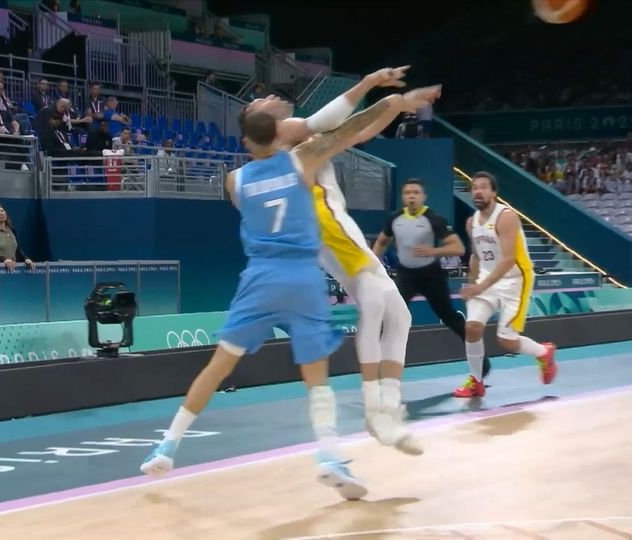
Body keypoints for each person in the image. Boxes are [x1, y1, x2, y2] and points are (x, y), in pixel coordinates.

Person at [140, 90, 433, 500]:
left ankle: (167, 447)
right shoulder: (303, 160)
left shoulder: (235, 180)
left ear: (246, 141)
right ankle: (330, 456)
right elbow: (348, 128)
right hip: (302, 278)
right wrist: (387, 99)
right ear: (278, 133)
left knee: (218, 367)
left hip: (260, 278)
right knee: (317, 381)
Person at [243, 67, 439, 455]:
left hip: (332, 221)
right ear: (260, 126)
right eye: (260, 101)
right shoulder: (284, 143)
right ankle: (375, 410)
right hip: (325, 221)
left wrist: (391, 103)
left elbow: (353, 130)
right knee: (375, 303)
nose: (270, 97)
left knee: (400, 315)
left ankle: (388, 406)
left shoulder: (295, 135)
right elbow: (345, 128)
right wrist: (391, 100)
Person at [372, 179, 492, 378]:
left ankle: (481, 361)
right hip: (406, 275)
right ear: (403, 197)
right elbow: (382, 242)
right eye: (408, 193)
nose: (412, 196)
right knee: (391, 315)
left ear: (423, 197)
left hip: (431, 275)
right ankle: (379, 364)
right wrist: (373, 266)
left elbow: (459, 248)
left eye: (416, 193)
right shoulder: (394, 219)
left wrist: (433, 251)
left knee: (450, 317)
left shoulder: (434, 219)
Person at [456, 172, 557, 397]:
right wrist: (472, 284)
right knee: (472, 328)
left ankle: (543, 352)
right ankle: (476, 381)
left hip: (515, 280)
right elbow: (476, 256)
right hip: (486, 281)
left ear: (493, 193)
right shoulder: (471, 222)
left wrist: (480, 287)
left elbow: (508, 259)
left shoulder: (506, 217)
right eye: (474, 188)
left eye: (483, 187)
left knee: (506, 341)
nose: (478, 191)